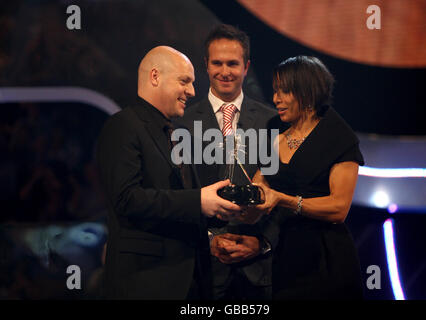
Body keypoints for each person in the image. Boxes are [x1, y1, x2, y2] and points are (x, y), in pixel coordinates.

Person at [96, 46, 243, 299]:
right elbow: (127, 199)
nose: (192, 91)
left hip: (191, 283)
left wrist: (224, 210)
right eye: (184, 81)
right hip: (146, 283)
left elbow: (182, 204)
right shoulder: (123, 126)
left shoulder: (175, 133)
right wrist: (199, 201)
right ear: (155, 77)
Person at [241, 56, 365, 299]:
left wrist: (284, 200)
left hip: (326, 260)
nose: (276, 99)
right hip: (286, 255)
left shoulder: (339, 137)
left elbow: (339, 208)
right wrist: (242, 205)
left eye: (284, 91)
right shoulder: (274, 129)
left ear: (307, 93)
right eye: (275, 90)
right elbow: (261, 187)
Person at [175, 24, 281, 300]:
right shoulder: (181, 123)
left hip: (259, 273)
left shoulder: (273, 122)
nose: (225, 71)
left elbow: (286, 192)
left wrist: (262, 242)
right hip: (201, 271)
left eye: (232, 63)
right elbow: (174, 195)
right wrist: (209, 240)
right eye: (217, 63)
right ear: (206, 66)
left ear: (246, 67)